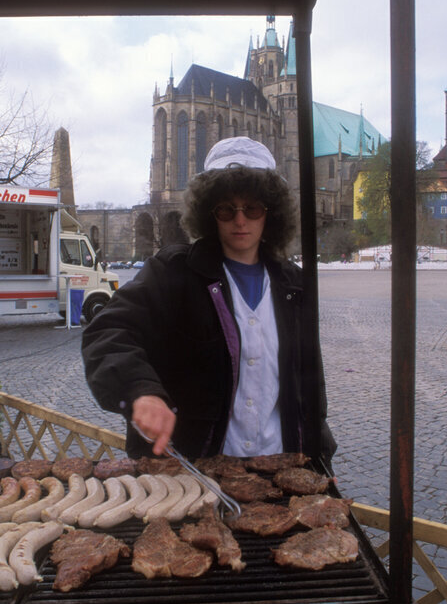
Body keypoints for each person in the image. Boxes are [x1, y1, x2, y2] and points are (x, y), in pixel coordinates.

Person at [82, 136, 336, 464]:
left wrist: (321, 458)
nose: (240, 220)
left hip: (279, 470)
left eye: (253, 208)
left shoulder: (295, 284)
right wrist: (140, 391)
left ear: (270, 213)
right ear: (209, 212)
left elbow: (310, 389)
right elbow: (107, 332)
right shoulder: (172, 272)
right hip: (193, 475)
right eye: (226, 209)